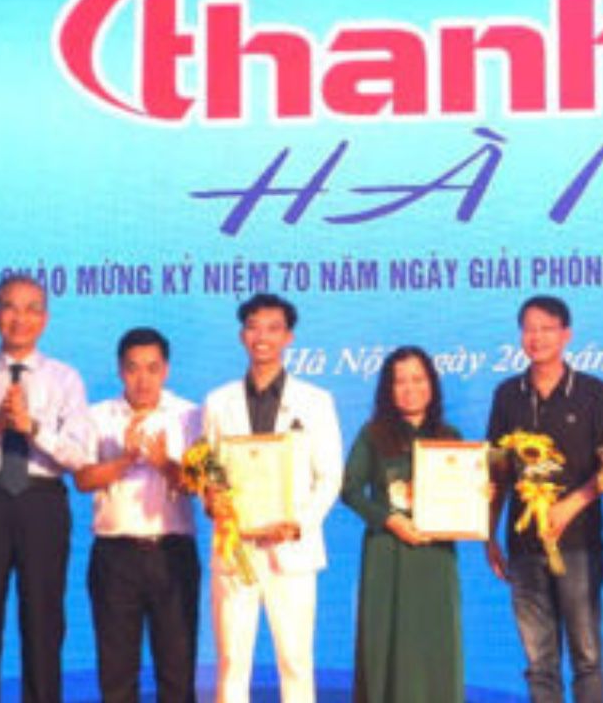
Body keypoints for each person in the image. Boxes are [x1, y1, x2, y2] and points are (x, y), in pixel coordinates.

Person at [0, 274, 91, 703]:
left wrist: (33, 428)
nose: (20, 318)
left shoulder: (65, 379)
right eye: (10, 307)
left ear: (45, 318)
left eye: (31, 309)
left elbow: (79, 455)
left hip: (42, 503)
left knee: (44, 621)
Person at [199, 293, 343, 703]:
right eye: (253, 327)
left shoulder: (315, 401)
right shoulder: (218, 402)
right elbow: (207, 470)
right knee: (232, 661)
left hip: (291, 548)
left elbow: (330, 477)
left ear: (288, 337)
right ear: (242, 335)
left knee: (295, 661)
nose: (262, 337)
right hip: (236, 547)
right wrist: (211, 500)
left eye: (273, 328)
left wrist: (297, 525)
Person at [484, 295, 603, 703]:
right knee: (539, 662)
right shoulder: (508, 394)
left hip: (579, 546)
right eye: (529, 329)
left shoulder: (594, 393)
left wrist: (572, 504)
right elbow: (497, 471)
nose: (537, 337)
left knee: (587, 658)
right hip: (523, 548)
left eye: (547, 328)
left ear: (566, 335)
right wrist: (488, 534)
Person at [74, 327, 203, 703]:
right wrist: (125, 459)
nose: (143, 379)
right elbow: (83, 479)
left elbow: (198, 486)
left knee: (177, 671)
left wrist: (163, 463)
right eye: (133, 369)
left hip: (172, 554)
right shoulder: (96, 416)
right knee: (116, 674)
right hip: (115, 557)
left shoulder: (190, 416)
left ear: (166, 370)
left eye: (152, 368)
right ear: (120, 370)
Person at [341, 346, 466, 702]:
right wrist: (388, 519)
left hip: (435, 557)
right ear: (388, 389)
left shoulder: (450, 437)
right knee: (385, 645)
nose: (410, 388)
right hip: (388, 553)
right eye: (400, 381)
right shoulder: (372, 434)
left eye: (418, 379)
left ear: (432, 384)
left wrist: (477, 493)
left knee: (434, 643)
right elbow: (350, 490)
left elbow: (463, 497)